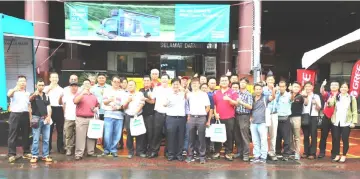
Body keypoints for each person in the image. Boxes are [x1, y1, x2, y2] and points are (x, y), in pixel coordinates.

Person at [328, 82, 357, 163]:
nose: (343, 88)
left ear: (348, 89)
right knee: (336, 139)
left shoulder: (351, 98)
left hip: (346, 122)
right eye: (342, 87)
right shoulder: (336, 96)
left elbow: (354, 110)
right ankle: (337, 155)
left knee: (345, 139)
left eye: (345, 87)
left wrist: (354, 122)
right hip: (336, 121)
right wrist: (330, 100)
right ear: (340, 88)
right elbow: (330, 105)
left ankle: (344, 155)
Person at [212, 75, 239, 161]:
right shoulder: (216, 93)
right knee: (217, 135)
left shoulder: (233, 92)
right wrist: (215, 113)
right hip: (219, 117)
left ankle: (228, 153)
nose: (224, 82)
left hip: (229, 117)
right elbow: (215, 105)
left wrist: (229, 100)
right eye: (222, 80)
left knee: (229, 135)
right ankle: (217, 152)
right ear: (219, 82)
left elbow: (236, 103)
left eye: (225, 80)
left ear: (229, 82)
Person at [185, 78, 210, 164]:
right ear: (191, 85)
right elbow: (185, 101)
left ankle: (202, 156)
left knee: (201, 138)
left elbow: (208, 107)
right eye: (193, 84)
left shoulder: (204, 94)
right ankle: (190, 156)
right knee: (191, 138)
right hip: (191, 118)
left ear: (199, 84)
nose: (195, 85)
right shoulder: (189, 94)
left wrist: (203, 114)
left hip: (201, 118)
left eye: (196, 83)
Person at [7, 75, 31, 163]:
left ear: (26, 83)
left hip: (25, 114)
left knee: (26, 134)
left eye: (24, 81)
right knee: (13, 134)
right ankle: (12, 154)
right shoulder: (13, 91)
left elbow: (29, 106)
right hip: (15, 115)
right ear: (17, 82)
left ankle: (26, 151)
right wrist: (15, 89)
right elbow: (9, 94)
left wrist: (30, 117)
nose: (22, 83)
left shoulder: (28, 93)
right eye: (20, 81)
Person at [73, 79, 99, 160]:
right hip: (81, 118)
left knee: (91, 136)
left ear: (91, 85)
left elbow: (97, 105)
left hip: (91, 118)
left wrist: (96, 108)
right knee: (80, 137)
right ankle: (79, 154)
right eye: (85, 83)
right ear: (83, 85)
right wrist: (82, 94)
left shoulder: (93, 95)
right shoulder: (79, 94)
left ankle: (90, 152)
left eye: (88, 83)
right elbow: (75, 101)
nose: (87, 85)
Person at [102, 76, 127, 157]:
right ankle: (106, 149)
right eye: (115, 81)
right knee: (107, 134)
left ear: (120, 83)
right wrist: (110, 100)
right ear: (111, 82)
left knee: (117, 134)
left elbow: (124, 104)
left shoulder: (123, 92)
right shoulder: (107, 91)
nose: (116, 83)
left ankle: (113, 149)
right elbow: (105, 102)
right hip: (108, 114)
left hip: (119, 115)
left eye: (118, 82)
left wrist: (119, 107)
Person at [250, 83, 275, 163]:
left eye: (260, 89)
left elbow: (273, 97)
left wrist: (273, 90)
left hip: (262, 123)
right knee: (255, 140)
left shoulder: (265, 98)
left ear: (262, 90)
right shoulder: (252, 98)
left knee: (263, 140)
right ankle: (256, 156)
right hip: (253, 123)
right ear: (254, 90)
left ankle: (263, 157)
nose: (258, 90)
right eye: (256, 89)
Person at [29, 79, 53, 163]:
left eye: (42, 85)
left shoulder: (46, 95)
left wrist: (49, 116)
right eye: (39, 85)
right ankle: (34, 155)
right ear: (36, 85)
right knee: (36, 138)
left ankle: (45, 155)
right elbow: (29, 100)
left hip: (45, 118)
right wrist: (33, 95)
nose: (41, 87)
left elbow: (49, 106)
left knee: (46, 139)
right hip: (36, 118)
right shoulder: (33, 95)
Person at [148, 74, 171, 158]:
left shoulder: (171, 89)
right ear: (160, 80)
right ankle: (154, 151)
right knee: (157, 133)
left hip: (169, 114)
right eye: (163, 78)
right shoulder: (157, 89)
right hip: (158, 113)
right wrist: (148, 94)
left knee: (169, 133)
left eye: (166, 78)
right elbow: (152, 97)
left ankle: (168, 152)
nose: (164, 80)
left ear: (169, 80)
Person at [164, 78, 187, 161]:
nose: (176, 86)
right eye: (174, 84)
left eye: (177, 84)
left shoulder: (183, 94)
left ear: (180, 85)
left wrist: (183, 90)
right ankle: (171, 154)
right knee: (171, 137)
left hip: (181, 118)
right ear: (171, 85)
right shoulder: (168, 94)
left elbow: (188, 95)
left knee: (181, 137)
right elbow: (164, 104)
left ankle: (179, 155)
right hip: (171, 118)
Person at [123, 81, 146, 159]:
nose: (130, 86)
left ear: (135, 86)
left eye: (132, 85)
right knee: (129, 134)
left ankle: (139, 152)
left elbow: (142, 104)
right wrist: (128, 101)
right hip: (129, 116)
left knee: (140, 133)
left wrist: (136, 112)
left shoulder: (140, 94)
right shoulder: (125, 94)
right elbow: (124, 107)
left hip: (138, 115)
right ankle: (131, 151)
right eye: (129, 85)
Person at [44, 72, 65, 154]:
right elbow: (43, 95)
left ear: (58, 79)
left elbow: (62, 102)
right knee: (49, 129)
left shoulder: (61, 89)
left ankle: (60, 147)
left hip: (59, 109)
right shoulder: (46, 88)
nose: (54, 79)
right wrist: (50, 88)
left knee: (60, 130)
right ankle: (48, 148)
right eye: (53, 77)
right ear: (50, 79)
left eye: (56, 77)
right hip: (49, 109)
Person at [318, 80, 339, 159]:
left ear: (338, 87)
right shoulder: (328, 94)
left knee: (335, 136)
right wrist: (322, 85)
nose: (333, 86)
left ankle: (334, 153)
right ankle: (322, 152)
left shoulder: (340, 95)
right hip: (326, 117)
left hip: (336, 117)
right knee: (323, 135)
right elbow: (322, 92)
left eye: (335, 85)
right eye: (332, 85)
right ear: (330, 87)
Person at [234, 77, 253, 162]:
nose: (242, 84)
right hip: (236, 115)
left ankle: (246, 154)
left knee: (244, 135)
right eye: (241, 82)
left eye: (244, 82)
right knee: (237, 135)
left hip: (244, 116)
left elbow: (250, 107)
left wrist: (241, 102)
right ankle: (240, 152)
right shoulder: (236, 93)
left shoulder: (248, 94)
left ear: (247, 84)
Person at [301, 82, 321, 160]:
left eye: (309, 86)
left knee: (313, 135)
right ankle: (306, 152)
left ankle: (313, 153)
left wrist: (315, 103)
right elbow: (304, 105)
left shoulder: (316, 96)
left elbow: (319, 108)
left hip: (313, 117)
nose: (308, 88)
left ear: (312, 87)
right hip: (304, 116)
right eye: (306, 86)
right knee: (305, 135)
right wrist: (305, 96)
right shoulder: (302, 95)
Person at [59, 79, 79, 156]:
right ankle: (68, 149)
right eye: (72, 86)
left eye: (75, 86)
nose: (74, 88)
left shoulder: (80, 95)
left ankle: (76, 149)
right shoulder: (66, 95)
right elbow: (62, 104)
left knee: (78, 135)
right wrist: (65, 114)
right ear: (69, 87)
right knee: (68, 135)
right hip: (68, 118)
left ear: (77, 87)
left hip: (78, 118)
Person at [289, 82, 308, 160]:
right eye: (294, 86)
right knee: (289, 136)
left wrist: (306, 96)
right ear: (291, 87)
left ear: (300, 88)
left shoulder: (301, 96)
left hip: (297, 118)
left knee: (297, 136)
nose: (296, 88)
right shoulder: (288, 95)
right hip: (287, 117)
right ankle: (292, 151)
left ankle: (297, 153)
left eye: (297, 87)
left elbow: (306, 103)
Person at [262, 75, 279, 161]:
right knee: (264, 134)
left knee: (273, 134)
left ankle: (272, 152)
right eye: (269, 80)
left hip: (274, 113)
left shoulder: (278, 90)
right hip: (265, 114)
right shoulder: (263, 90)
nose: (270, 81)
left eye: (272, 80)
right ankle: (264, 152)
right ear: (266, 81)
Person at [275, 81, 292, 161]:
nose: (281, 88)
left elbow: (292, 99)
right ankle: (278, 152)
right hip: (276, 118)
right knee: (277, 137)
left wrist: (292, 91)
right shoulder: (276, 95)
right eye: (280, 86)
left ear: (285, 87)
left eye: (283, 86)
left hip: (285, 118)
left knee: (286, 137)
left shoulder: (289, 95)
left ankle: (286, 154)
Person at [139, 75, 156, 157]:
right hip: (141, 115)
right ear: (142, 82)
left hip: (150, 115)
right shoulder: (140, 90)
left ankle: (151, 151)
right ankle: (143, 150)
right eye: (144, 80)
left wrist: (145, 99)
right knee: (142, 133)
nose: (146, 82)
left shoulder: (153, 90)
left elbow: (153, 101)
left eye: (147, 80)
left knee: (150, 134)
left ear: (150, 82)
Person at [118, 77, 128, 149]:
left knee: (129, 129)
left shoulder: (130, 91)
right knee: (120, 129)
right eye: (122, 82)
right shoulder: (118, 92)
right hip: (120, 112)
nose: (124, 84)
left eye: (125, 82)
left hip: (128, 113)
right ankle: (120, 144)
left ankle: (129, 145)